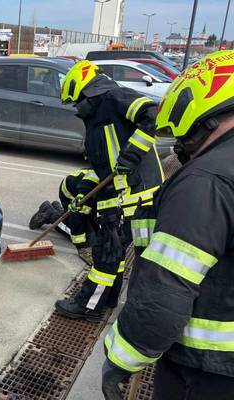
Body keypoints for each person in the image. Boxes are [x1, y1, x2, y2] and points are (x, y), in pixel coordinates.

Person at [101, 51, 234, 400]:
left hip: (208, 372)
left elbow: (165, 290)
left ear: (207, 119)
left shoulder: (207, 180)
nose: (181, 148)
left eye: (184, 136)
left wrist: (122, 359)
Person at [54, 60, 164, 321]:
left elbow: (153, 115)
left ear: (85, 91)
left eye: (76, 102)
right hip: (123, 196)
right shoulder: (96, 118)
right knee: (117, 254)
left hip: (136, 197)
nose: (76, 108)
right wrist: (83, 195)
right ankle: (109, 299)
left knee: (109, 255)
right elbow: (102, 167)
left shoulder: (114, 98)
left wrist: (132, 154)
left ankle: (89, 307)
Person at [29, 168, 100, 266]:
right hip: (70, 195)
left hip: (80, 188)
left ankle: (56, 208)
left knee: (97, 237)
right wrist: (82, 247)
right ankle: (50, 214)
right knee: (86, 237)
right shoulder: (87, 194)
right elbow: (77, 220)